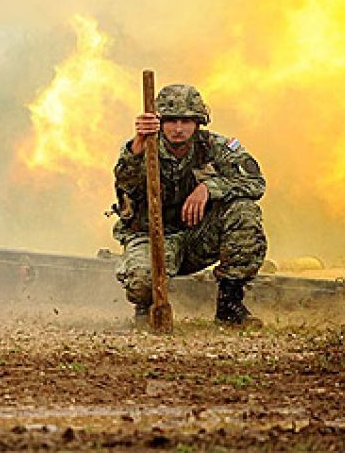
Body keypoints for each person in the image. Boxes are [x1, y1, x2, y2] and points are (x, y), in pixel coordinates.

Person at [112, 83, 267, 329]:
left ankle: (230, 305)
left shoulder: (216, 147)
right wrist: (138, 144)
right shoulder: (142, 148)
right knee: (141, 283)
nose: (178, 129)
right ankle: (146, 307)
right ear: (160, 122)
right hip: (152, 236)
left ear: (198, 122)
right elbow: (124, 183)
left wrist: (209, 188)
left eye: (186, 121)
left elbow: (255, 182)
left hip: (198, 237)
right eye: (171, 121)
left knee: (244, 212)